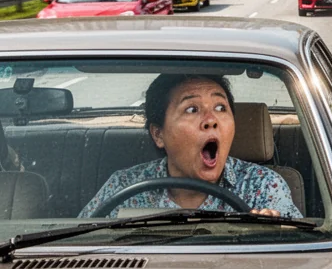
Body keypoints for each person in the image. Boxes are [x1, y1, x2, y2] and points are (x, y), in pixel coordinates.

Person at [79, 73, 300, 219]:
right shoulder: (123, 187)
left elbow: (297, 261)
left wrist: (275, 231)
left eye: (221, 107)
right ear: (158, 134)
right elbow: (81, 242)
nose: (211, 119)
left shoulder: (262, 187)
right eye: (192, 110)